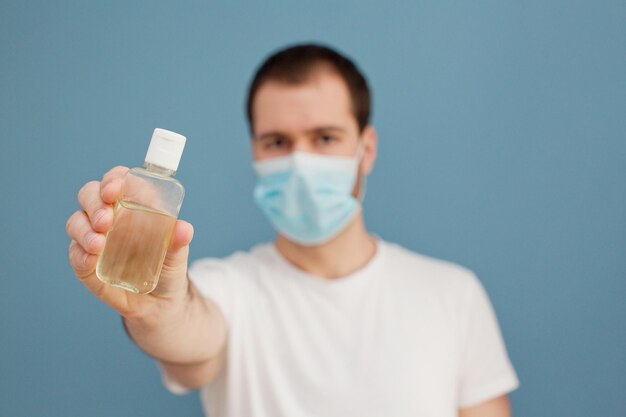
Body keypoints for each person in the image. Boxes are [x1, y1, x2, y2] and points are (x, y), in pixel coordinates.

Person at [66, 44, 519, 417]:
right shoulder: (229, 289)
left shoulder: (453, 295)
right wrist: (155, 312)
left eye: (325, 138)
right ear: (255, 153)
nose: (301, 163)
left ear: (367, 149)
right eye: (278, 142)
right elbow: (189, 337)